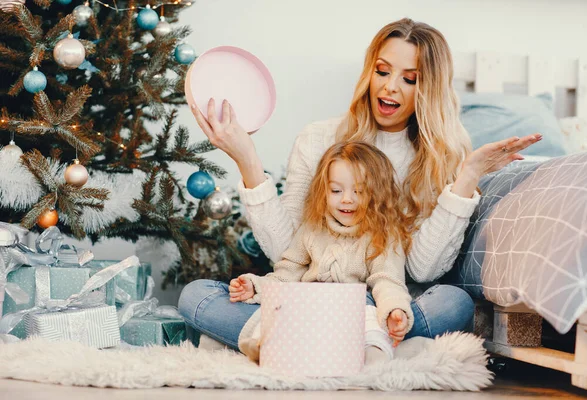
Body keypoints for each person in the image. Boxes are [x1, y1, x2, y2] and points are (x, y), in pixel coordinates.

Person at [179, 18, 542, 350]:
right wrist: (247, 160)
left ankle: (293, 341)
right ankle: (351, 344)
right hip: (307, 299)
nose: (390, 87)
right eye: (382, 71)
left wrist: (466, 179)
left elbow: (421, 271)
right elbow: (286, 251)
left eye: (409, 79)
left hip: (384, 303)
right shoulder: (318, 138)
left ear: (427, 88)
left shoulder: (443, 153)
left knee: (454, 302)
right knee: (195, 296)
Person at [230, 141, 413, 364]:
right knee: (279, 309)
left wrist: (395, 310)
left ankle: (374, 355)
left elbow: (388, 281)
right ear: (323, 190)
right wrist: (255, 286)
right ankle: (264, 343)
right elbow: (286, 274)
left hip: (354, 311)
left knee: (370, 314)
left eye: (360, 191)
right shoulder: (312, 228)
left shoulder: (383, 234)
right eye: (336, 190)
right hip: (311, 308)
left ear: (378, 194)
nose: (347, 199)